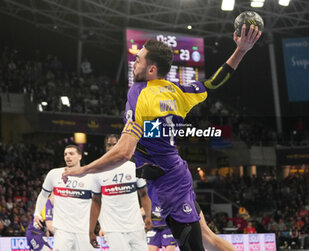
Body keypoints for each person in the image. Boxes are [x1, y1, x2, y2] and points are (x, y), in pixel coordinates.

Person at [63, 24, 261, 251]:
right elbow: (212, 83)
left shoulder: (140, 94)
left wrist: (83, 170)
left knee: (196, 246)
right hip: (175, 174)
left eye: (138, 60)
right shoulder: (178, 91)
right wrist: (241, 50)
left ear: (151, 69)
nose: (134, 63)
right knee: (208, 237)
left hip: (169, 187)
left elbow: (123, 152)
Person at [89, 134, 151, 251]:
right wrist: (91, 230)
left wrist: (148, 216)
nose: (112, 147)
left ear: (120, 146)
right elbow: (96, 202)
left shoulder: (134, 167)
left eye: (115, 144)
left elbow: (144, 194)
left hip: (136, 225)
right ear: (105, 147)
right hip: (113, 228)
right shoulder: (98, 171)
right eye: (109, 145)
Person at [34, 145, 95, 251]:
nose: (67, 156)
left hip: (84, 230)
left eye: (71, 154)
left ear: (80, 156)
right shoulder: (54, 174)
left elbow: (98, 203)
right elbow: (43, 195)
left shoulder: (91, 177)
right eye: (65, 154)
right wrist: (37, 213)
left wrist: (102, 225)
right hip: (62, 230)